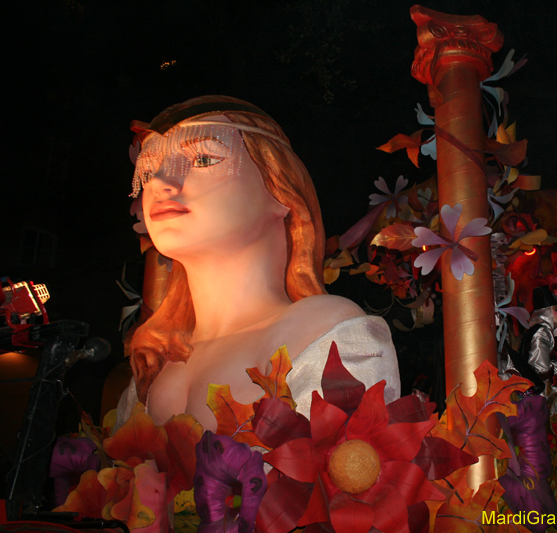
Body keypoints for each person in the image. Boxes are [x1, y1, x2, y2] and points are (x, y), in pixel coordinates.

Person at [117, 96, 400, 431]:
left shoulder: (324, 331)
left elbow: (346, 470)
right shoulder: (152, 364)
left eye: (204, 158)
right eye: (149, 171)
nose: (162, 184)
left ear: (279, 190)